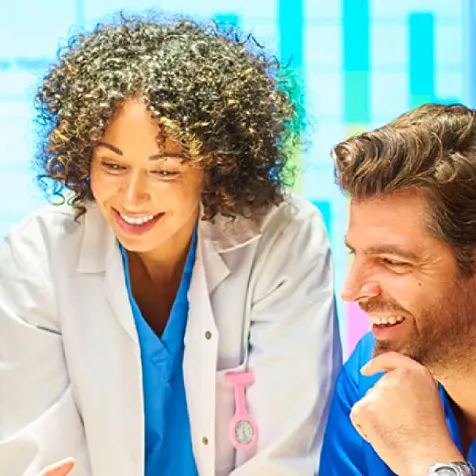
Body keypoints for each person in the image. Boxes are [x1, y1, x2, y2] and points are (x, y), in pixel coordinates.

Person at [0, 13, 342, 476]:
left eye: (165, 170)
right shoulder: (37, 256)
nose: (132, 197)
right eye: (113, 165)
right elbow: (38, 452)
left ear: (217, 163)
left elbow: (285, 455)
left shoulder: (283, 237)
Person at [319, 103, 476, 475]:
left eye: (393, 262)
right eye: (355, 254)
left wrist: (430, 461)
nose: (353, 290)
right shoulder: (369, 379)